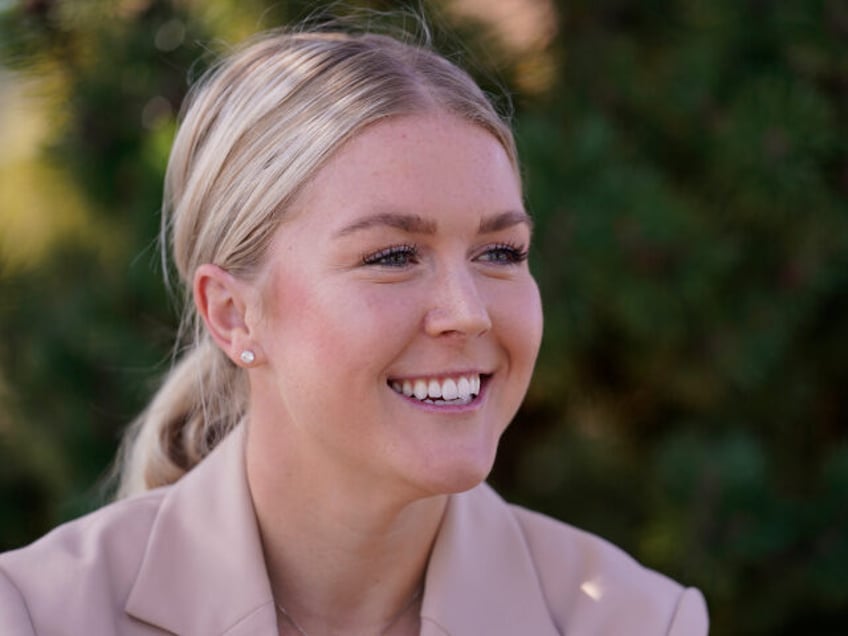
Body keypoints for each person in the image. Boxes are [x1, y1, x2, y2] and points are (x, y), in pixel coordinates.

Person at [0, 23, 708, 636]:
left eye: (500, 253)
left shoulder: (637, 621)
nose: (467, 312)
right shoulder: (37, 615)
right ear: (231, 312)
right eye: (393, 256)